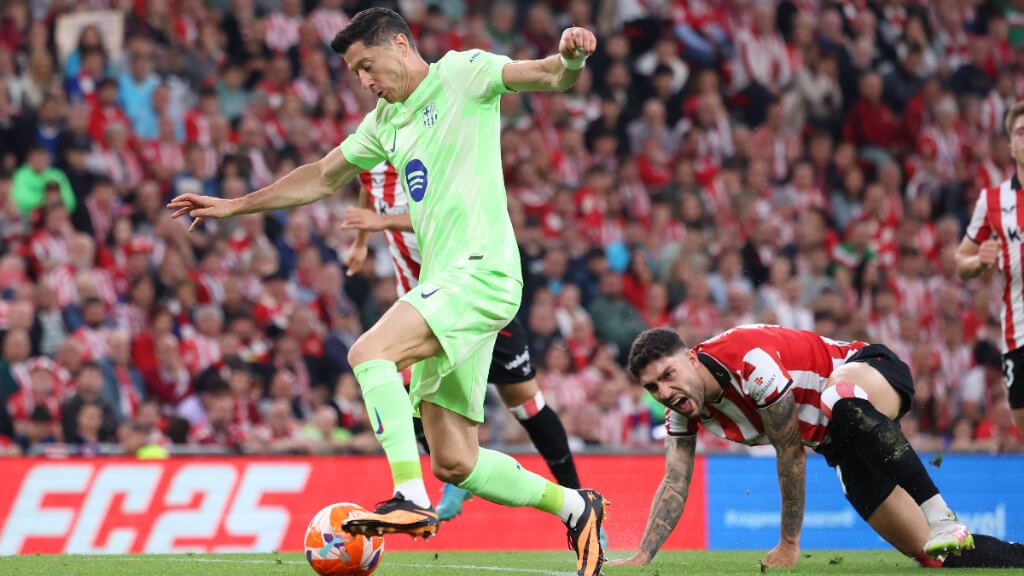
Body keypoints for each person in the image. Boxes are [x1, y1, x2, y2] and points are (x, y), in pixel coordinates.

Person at [168, 8, 607, 575]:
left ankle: (409, 496)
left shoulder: (463, 73)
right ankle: (576, 508)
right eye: (355, 73)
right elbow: (321, 175)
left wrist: (571, 57)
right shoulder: (384, 122)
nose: (364, 80)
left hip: (484, 272)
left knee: (368, 352)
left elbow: (548, 75)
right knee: (455, 460)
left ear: (400, 45)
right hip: (446, 283)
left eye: (367, 65)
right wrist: (235, 205)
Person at [614, 325, 1024, 570]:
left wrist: (789, 544)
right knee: (938, 556)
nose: (664, 392)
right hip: (840, 444)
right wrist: (643, 555)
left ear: (691, 358)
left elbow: (791, 453)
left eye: (668, 375)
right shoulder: (682, 411)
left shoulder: (748, 362)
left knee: (839, 400)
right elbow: (675, 481)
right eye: (653, 387)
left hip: (870, 372)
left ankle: (941, 515)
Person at [342, 167, 584, 523]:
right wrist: (361, 241)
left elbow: (444, 216)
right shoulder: (376, 151)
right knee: (406, 391)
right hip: (420, 308)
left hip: (469, 295)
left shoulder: (430, 152)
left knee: (525, 403)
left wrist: (381, 222)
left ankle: (578, 497)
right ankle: (449, 475)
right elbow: (370, 185)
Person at [956, 100, 1024, 435]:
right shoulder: (993, 200)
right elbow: (961, 261)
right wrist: (980, 261)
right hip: (1017, 330)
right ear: (1010, 146)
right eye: (1021, 132)